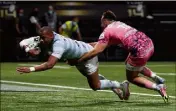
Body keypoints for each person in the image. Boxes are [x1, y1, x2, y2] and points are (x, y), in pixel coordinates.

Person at [69, 10, 168, 103]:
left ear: (105, 20)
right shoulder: (119, 24)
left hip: (139, 51)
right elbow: (101, 44)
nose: (100, 25)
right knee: (130, 64)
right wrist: (82, 45)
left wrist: (78, 60)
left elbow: (97, 50)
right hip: (149, 43)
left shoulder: (107, 31)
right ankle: (156, 77)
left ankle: (158, 87)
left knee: (132, 77)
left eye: (101, 22)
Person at [17, 26, 130, 100]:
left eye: (43, 38)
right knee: (91, 77)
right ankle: (115, 88)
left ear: (51, 36)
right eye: (40, 37)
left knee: (95, 86)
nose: (41, 40)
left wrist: (31, 69)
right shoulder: (47, 36)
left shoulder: (58, 44)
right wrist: (28, 49)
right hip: (78, 55)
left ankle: (120, 85)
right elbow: (23, 42)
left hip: (87, 56)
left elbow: (50, 64)